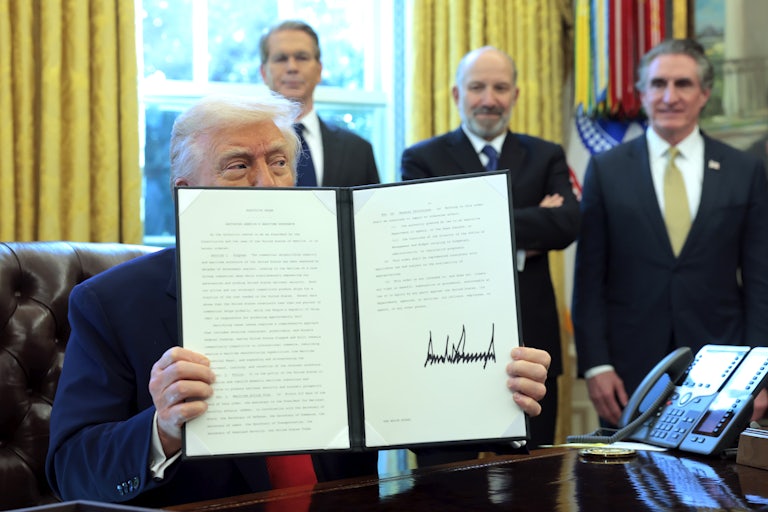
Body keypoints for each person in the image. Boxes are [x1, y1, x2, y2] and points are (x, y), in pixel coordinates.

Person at [45, 93, 552, 507]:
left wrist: (489, 392)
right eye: (238, 166)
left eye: (279, 162)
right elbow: (72, 472)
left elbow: (413, 420)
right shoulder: (110, 303)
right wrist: (163, 428)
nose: (267, 184)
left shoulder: (354, 280)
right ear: (185, 192)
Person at [572, 38, 768, 428]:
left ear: (704, 94)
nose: (670, 96)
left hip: (725, 371)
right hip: (628, 375)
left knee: (718, 489)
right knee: (624, 487)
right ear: (642, 94)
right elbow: (589, 281)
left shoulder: (744, 170)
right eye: (659, 84)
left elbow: (762, 281)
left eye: (683, 84)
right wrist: (596, 366)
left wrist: (760, 375)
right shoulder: (606, 170)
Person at [400, 46, 580, 456]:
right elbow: (427, 240)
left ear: (515, 94)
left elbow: (567, 224)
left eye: (500, 87)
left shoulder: (546, 153)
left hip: (531, 349)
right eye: (477, 87)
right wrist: (529, 227)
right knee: (443, 486)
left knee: (532, 483)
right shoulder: (421, 160)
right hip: (444, 350)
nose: (488, 99)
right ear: (456, 94)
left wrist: (465, 225)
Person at [259, 19, 379, 187]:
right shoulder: (243, 146)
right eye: (281, 58)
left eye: (302, 57)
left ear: (319, 70)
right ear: (263, 72)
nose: (292, 67)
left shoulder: (359, 150)